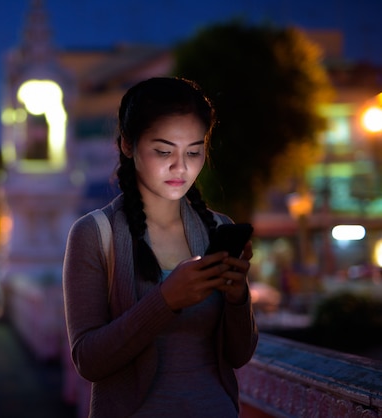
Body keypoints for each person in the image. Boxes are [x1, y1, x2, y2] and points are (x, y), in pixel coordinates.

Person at [63, 77, 258, 417]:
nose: (180, 167)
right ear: (127, 145)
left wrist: (237, 296)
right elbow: (88, 360)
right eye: (164, 151)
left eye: (194, 152)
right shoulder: (95, 233)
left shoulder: (219, 229)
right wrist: (166, 300)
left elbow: (239, 355)